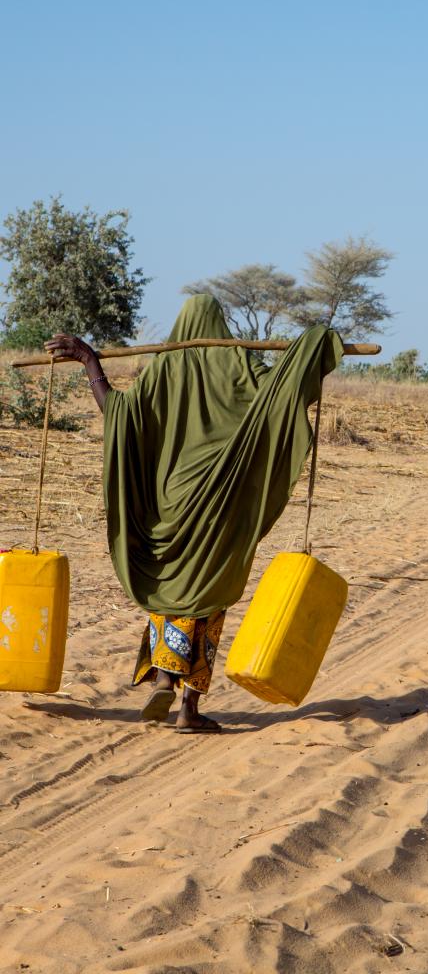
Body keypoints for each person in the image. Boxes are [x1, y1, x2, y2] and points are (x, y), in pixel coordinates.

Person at [45, 296, 344, 733]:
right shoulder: (241, 366)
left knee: (169, 587)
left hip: (169, 502)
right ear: (221, 326)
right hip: (219, 506)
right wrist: (313, 346)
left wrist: (89, 360)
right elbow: (277, 400)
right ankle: (188, 708)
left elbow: (117, 411)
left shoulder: (164, 369)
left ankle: (164, 674)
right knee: (208, 599)